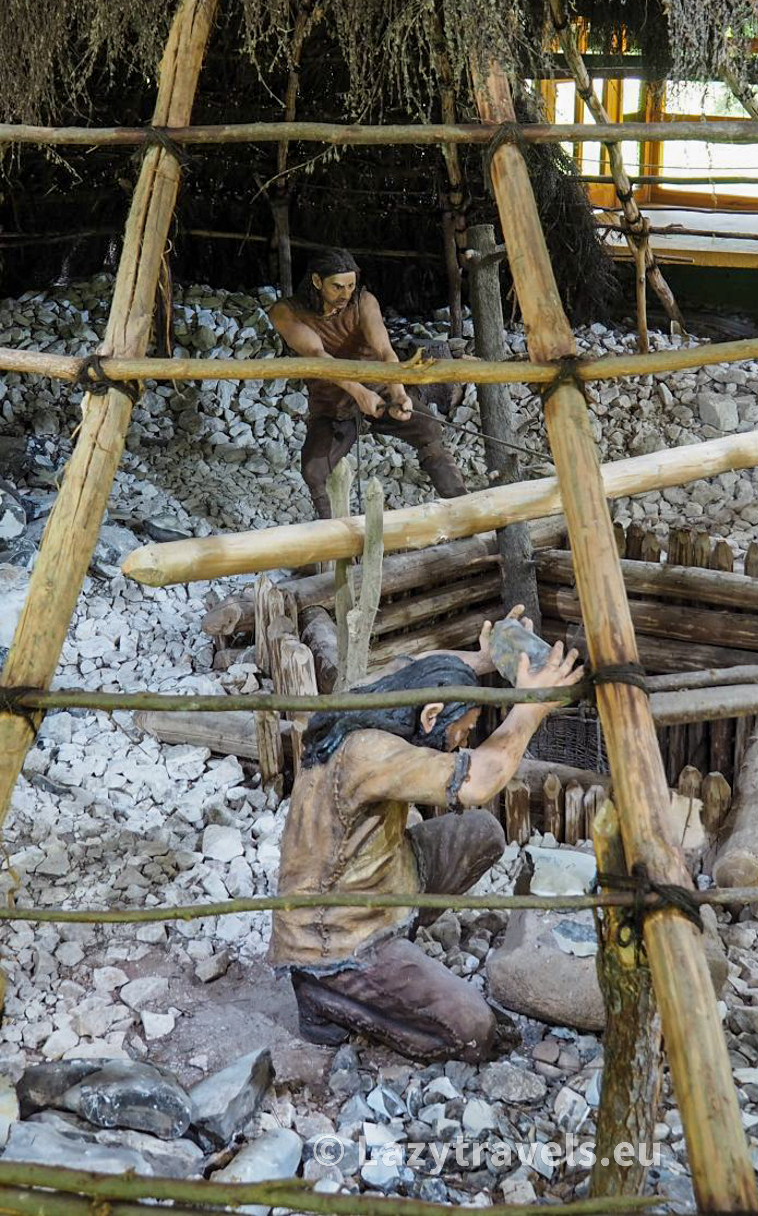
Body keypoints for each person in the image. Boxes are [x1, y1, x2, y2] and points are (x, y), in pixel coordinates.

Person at [268, 609, 582, 1063]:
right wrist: (530, 708)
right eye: (464, 728)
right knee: (475, 1031)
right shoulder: (370, 751)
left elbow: (420, 662)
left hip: (382, 880)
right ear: (433, 715)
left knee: (483, 834)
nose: (463, 738)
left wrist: (484, 659)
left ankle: (399, 940)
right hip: (334, 935)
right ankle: (325, 992)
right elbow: (478, 781)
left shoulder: (386, 700)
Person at [270, 249, 467, 516]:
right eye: (337, 286)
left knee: (428, 429)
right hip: (332, 405)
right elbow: (318, 356)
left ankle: (463, 510)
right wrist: (359, 393)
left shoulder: (364, 301)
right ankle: (336, 540)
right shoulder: (285, 312)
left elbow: (385, 351)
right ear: (317, 281)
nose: (345, 294)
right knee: (314, 472)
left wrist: (398, 394)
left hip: (380, 390)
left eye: (351, 285)